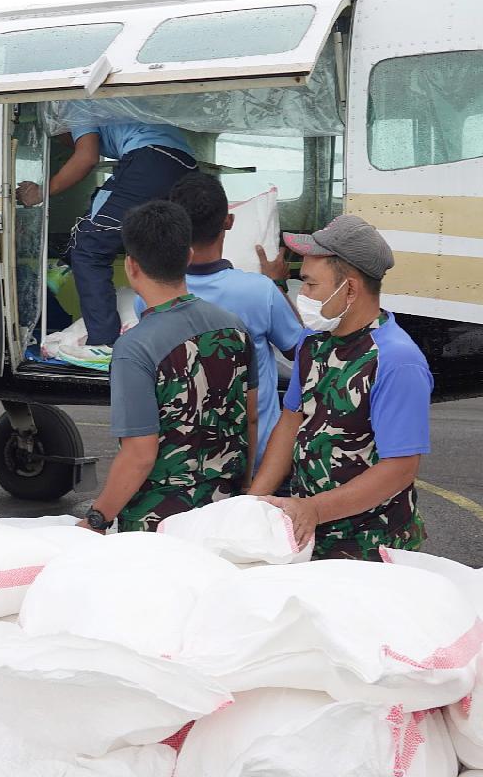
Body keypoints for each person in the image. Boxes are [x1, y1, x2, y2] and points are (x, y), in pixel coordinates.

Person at [246, 215, 433, 560]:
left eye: (311, 285)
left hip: (372, 548)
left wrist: (314, 509)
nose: (302, 294)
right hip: (310, 536)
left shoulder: (396, 361)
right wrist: (253, 501)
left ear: (349, 289)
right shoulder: (313, 341)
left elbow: (400, 467)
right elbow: (291, 421)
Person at [78, 201, 258, 534]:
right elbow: (250, 417)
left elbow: (139, 455)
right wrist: (245, 488)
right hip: (225, 513)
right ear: (188, 256)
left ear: (131, 267)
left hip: (160, 524)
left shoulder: (135, 348)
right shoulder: (234, 328)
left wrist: (97, 518)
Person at [134, 172, 303, 466]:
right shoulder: (260, 292)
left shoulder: (148, 296)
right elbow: (299, 351)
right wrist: (277, 284)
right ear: (229, 221)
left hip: (184, 461)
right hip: (255, 461)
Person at [15, 123, 197, 347]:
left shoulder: (73, 104)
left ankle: (102, 343)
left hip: (150, 157)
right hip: (185, 163)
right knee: (109, 216)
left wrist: (42, 192)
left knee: (90, 244)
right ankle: (63, 265)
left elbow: (86, 157)